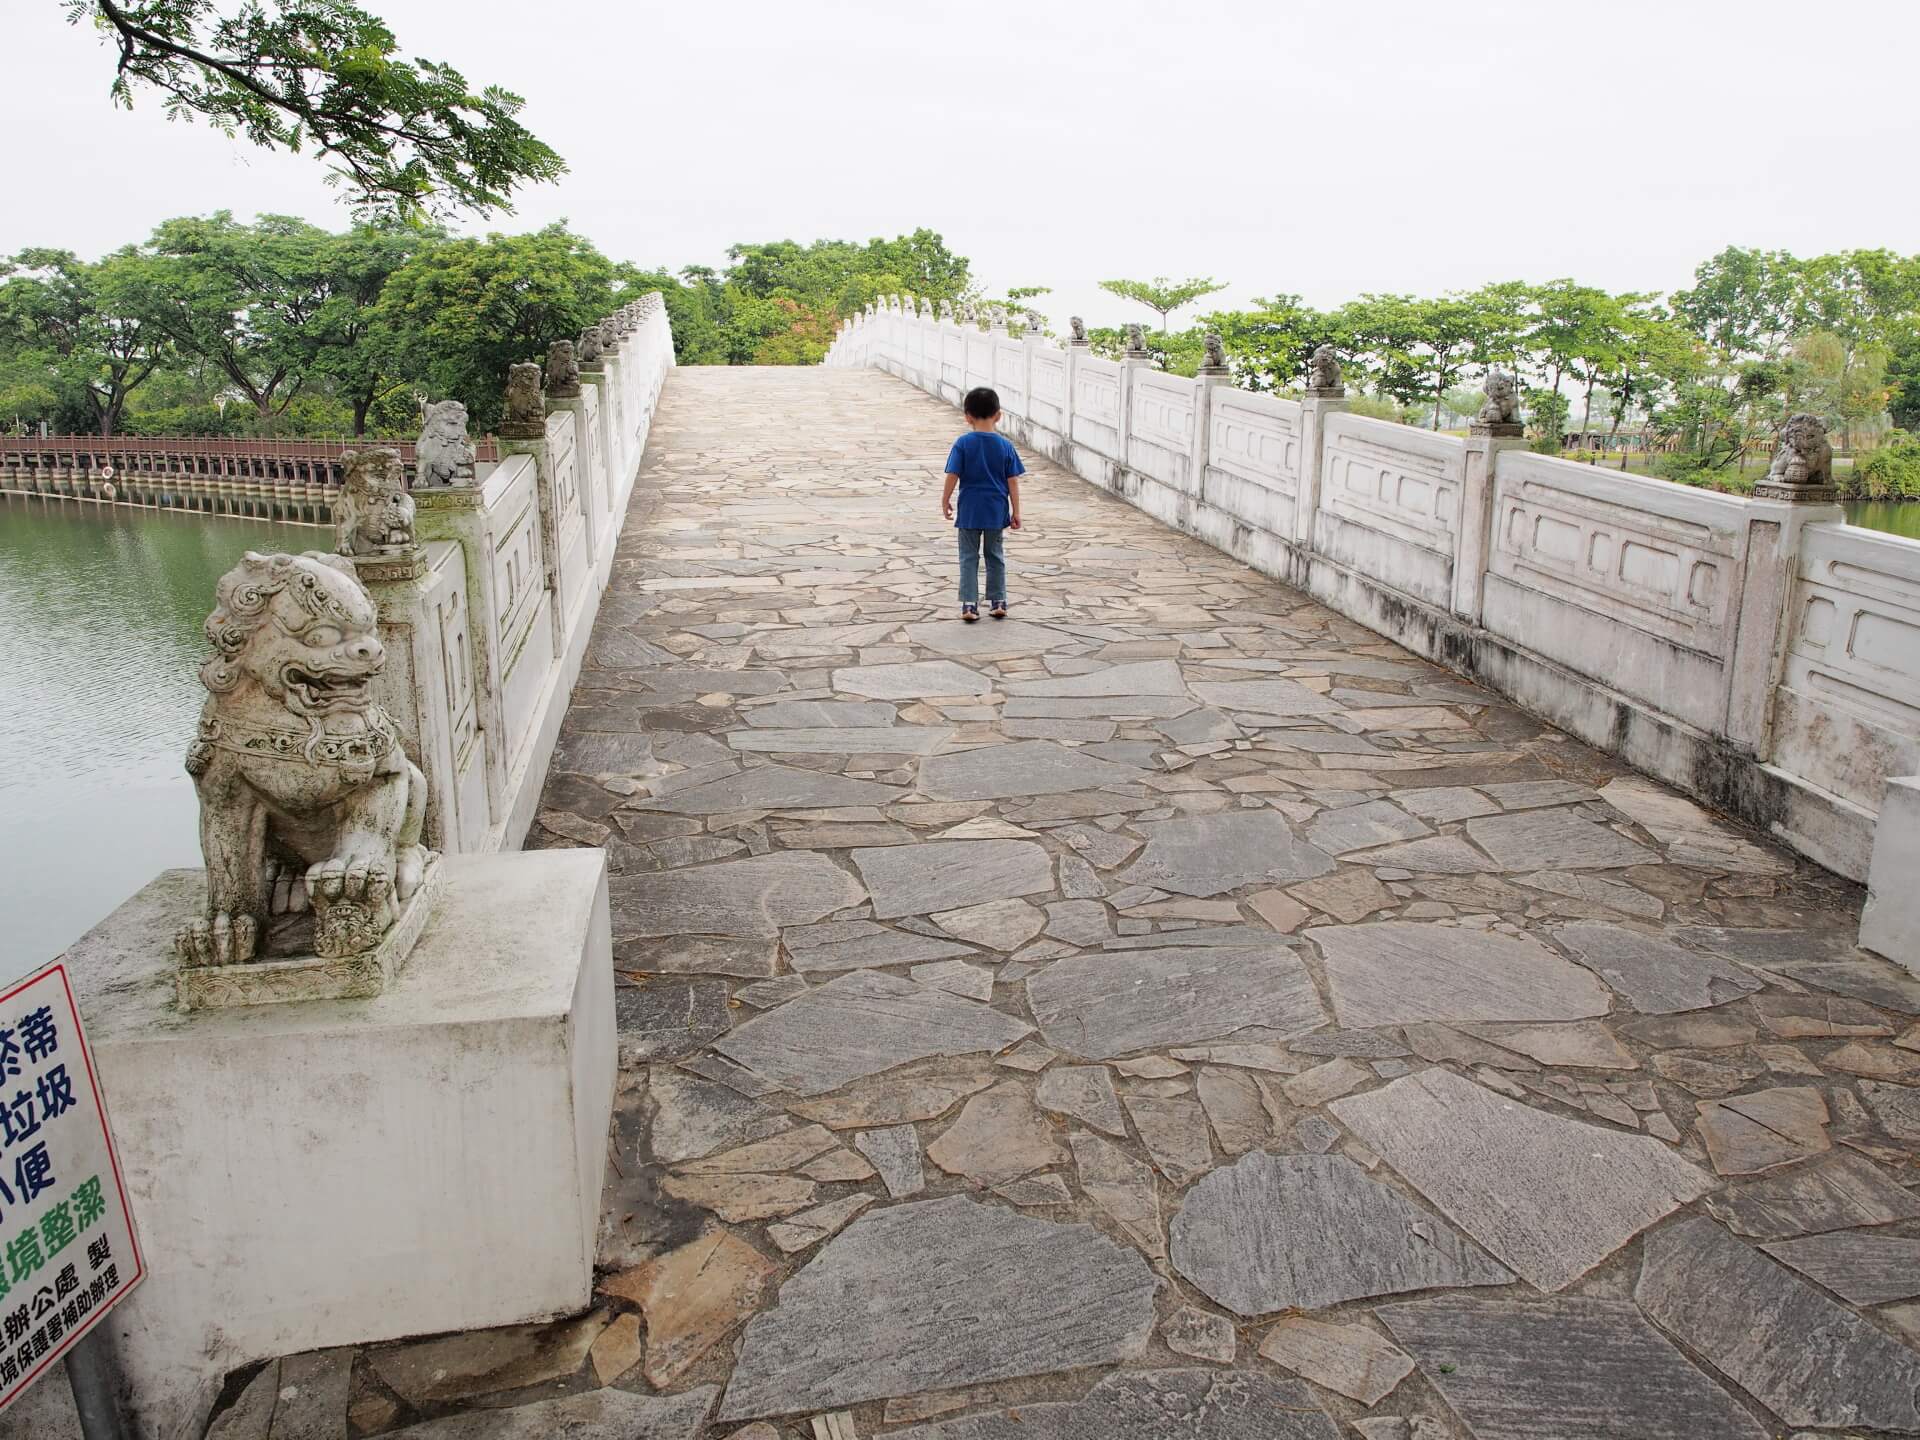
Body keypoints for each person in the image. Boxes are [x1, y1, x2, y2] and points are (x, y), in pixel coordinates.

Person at [940, 386, 1024, 621]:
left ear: (967, 416)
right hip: (996, 511)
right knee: (994, 555)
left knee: (968, 556)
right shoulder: (1005, 446)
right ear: (998, 414)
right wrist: (1016, 511)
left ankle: (969, 604)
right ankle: (998, 601)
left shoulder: (963, 443)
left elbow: (953, 475)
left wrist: (945, 499)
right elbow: (1013, 482)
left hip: (969, 511)